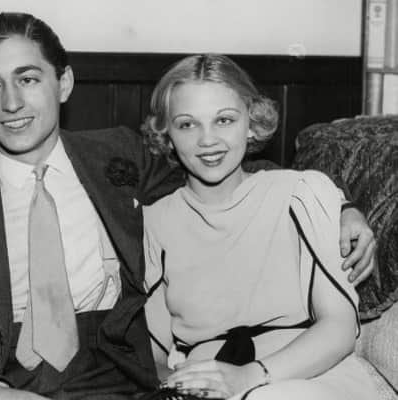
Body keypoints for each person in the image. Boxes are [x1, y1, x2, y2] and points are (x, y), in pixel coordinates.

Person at [0, 12, 374, 400]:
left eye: (28, 79)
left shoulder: (120, 157)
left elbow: (215, 169)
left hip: (118, 379)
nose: (11, 103)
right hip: (8, 380)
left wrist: (340, 206)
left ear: (64, 83)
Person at [142, 54, 379, 400]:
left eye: (224, 120)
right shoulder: (155, 221)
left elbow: (339, 328)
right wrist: (180, 386)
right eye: (188, 124)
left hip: (311, 376)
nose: (207, 140)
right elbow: (152, 355)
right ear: (167, 135)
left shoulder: (302, 193)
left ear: (251, 123)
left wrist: (248, 378)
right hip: (206, 384)